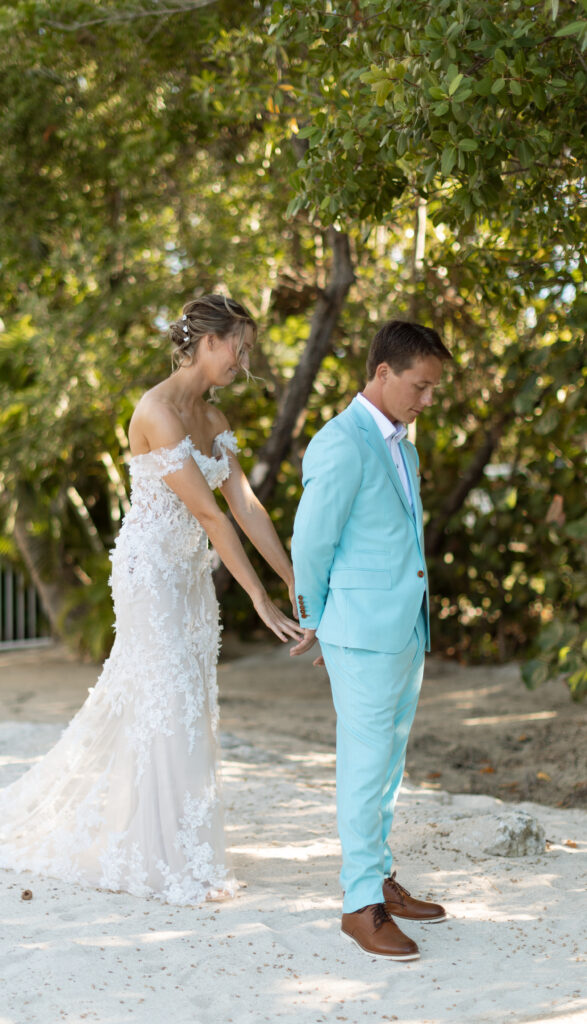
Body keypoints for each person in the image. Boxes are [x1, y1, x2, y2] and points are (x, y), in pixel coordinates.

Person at [0, 294, 302, 905]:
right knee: (168, 696)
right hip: (150, 575)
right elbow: (209, 515)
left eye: (247, 349)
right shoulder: (157, 412)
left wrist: (293, 579)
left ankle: (175, 840)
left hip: (189, 576)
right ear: (207, 341)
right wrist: (258, 598)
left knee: (188, 697)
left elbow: (245, 508)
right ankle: (162, 858)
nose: (243, 359)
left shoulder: (215, 422)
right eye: (238, 346)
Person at [290, 319, 452, 961]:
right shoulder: (339, 443)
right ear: (383, 373)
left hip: (404, 626)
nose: (427, 399)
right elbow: (311, 541)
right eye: (420, 385)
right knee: (363, 771)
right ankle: (361, 906)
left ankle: (380, 876)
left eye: (434, 388)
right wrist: (315, 619)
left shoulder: (403, 446)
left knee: (388, 766)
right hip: (359, 633)